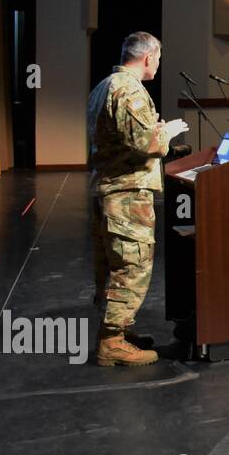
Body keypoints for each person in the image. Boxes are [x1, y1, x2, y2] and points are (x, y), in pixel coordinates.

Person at [88, 32, 190, 366]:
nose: (158, 64)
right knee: (132, 266)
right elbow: (145, 142)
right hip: (126, 195)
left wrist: (152, 130)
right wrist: (168, 132)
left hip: (109, 190)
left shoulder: (105, 85)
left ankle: (119, 330)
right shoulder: (129, 89)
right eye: (158, 59)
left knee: (112, 265)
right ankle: (112, 342)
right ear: (148, 58)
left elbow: (121, 136)